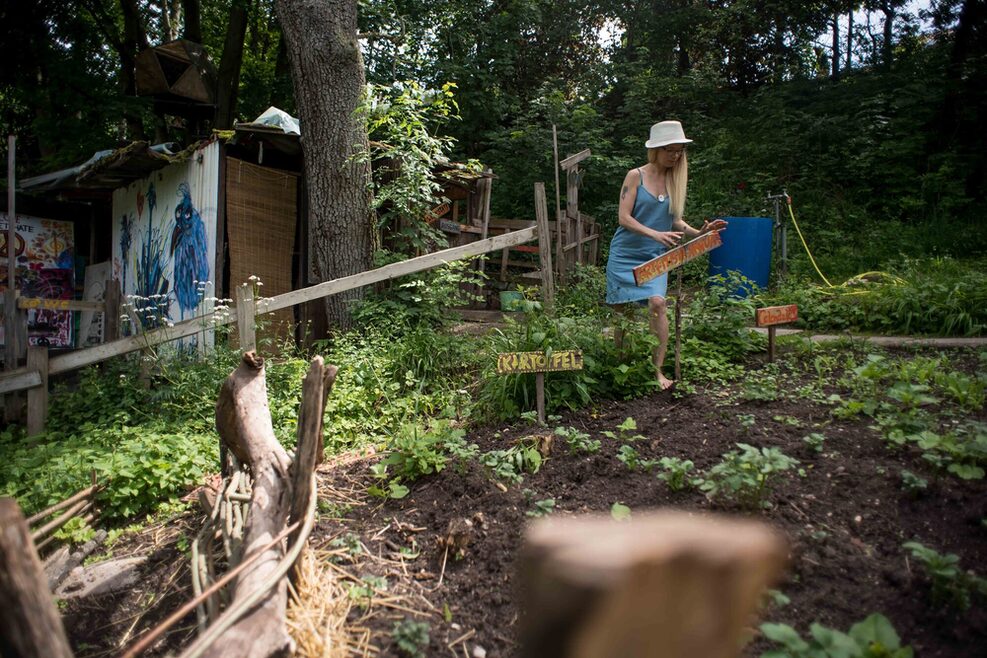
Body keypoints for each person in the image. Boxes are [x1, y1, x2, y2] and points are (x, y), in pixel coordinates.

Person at [605, 120, 727, 390]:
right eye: (670, 150)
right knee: (623, 316)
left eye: (679, 151)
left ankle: (656, 371)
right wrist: (654, 233)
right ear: (656, 150)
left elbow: (676, 222)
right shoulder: (635, 176)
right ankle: (620, 366)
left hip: (655, 258)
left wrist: (700, 232)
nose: (675, 155)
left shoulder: (675, 180)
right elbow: (623, 218)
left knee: (658, 304)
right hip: (625, 254)